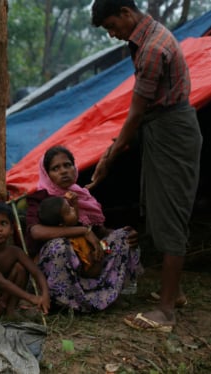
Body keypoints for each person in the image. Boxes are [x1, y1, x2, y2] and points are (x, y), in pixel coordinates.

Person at [90, 0, 202, 332]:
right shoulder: (147, 39)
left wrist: (109, 157)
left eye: (113, 26)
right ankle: (175, 293)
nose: (112, 34)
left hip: (172, 132)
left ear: (126, 12)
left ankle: (166, 313)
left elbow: (136, 113)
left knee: (170, 214)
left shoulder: (153, 47)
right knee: (155, 205)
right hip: (160, 128)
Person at [25, 145, 142, 312]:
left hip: (87, 257)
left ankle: (107, 294)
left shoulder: (82, 196)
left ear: (75, 168)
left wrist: (122, 235)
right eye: (55, 168)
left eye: (67, 165)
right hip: (58, 264)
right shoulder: (40, 198)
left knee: (122, 237)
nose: (63, 171)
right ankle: (61, 301)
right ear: (47, 174)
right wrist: (82, 231)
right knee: (59, 245)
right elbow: (36, 232)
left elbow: (100, 232)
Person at [38, 195, 105, 278]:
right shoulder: (76, 241)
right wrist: (100, 261)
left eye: (70, 206)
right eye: (69, 211)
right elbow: (92, 271)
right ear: (61, 224)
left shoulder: (56, 238)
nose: (73, 209)